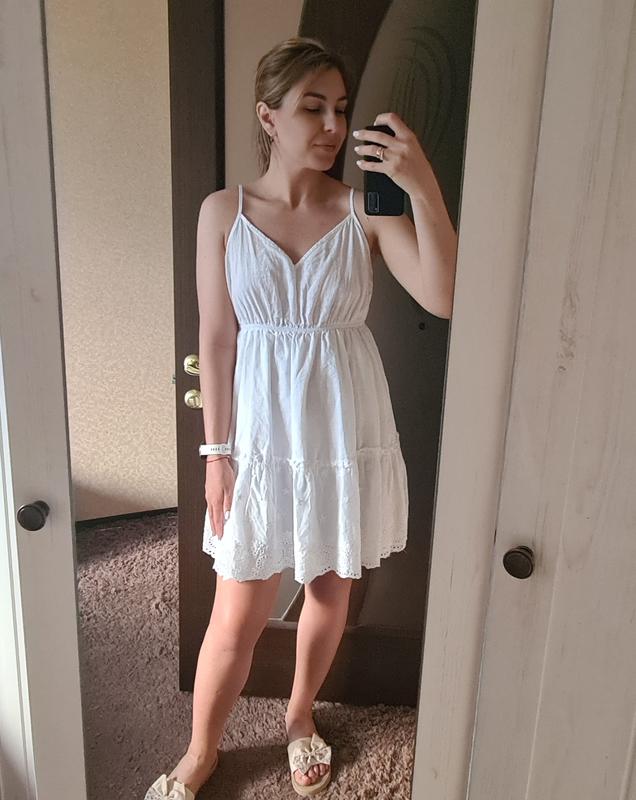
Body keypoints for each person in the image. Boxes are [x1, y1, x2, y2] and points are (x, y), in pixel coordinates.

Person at [145, 34, 457, 800]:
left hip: (342, 433)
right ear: (269, 116)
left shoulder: (362, 207)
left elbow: (445, 295)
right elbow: (217, 340)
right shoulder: (223, 213)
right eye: (312, 107)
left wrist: (420, 185)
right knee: (235, 614)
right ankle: (201, 752)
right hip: (257, 440)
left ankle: (298, 714)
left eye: (340, 109)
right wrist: (216, 455)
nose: (332, 126)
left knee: (328, 591)